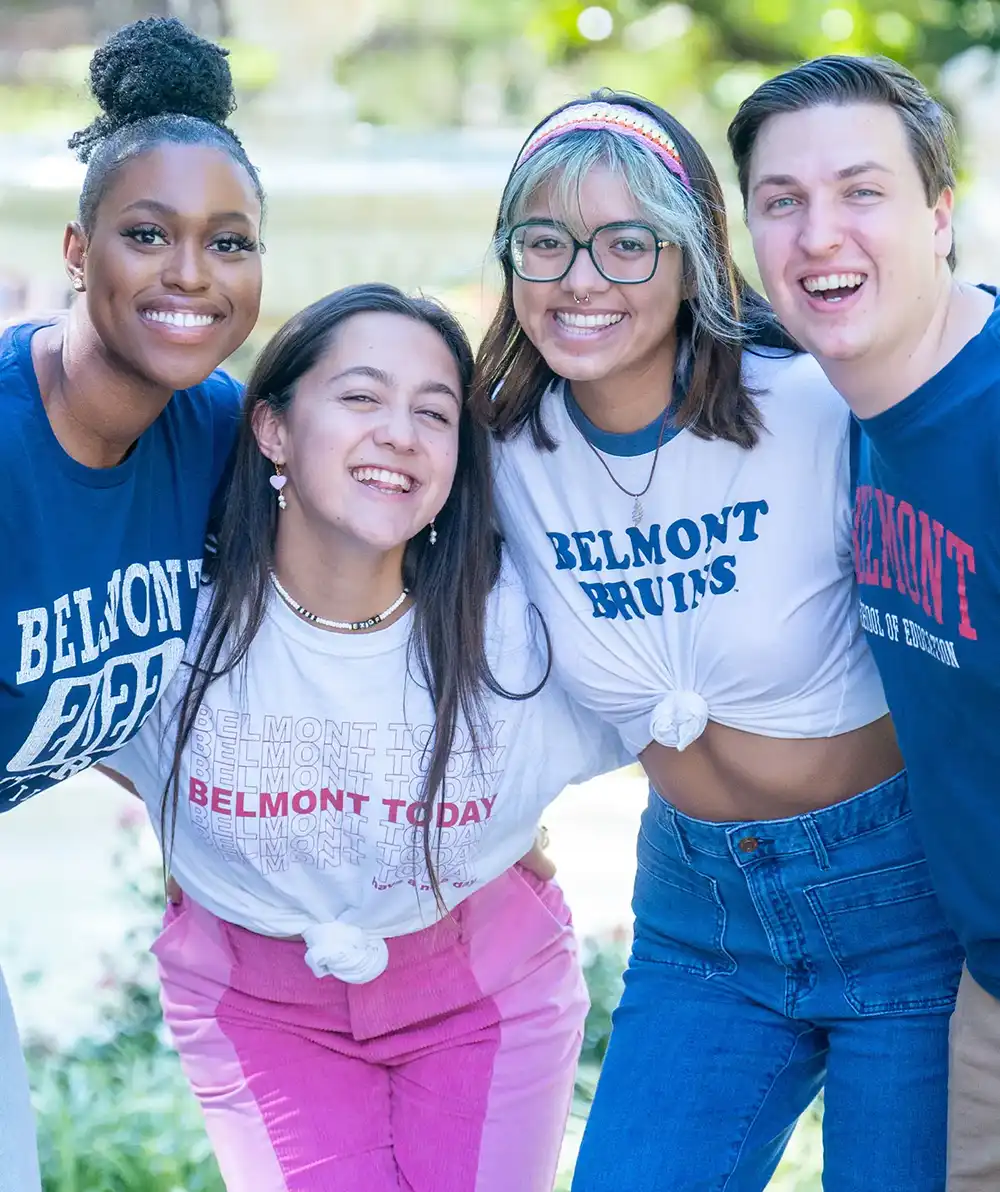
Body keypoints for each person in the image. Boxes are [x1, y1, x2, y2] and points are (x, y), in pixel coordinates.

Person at [471, 90, 964, 1191]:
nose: (580, 279)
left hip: (897, 903)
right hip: (698, 921)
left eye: (626, 243)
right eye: (542, 243)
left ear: (693, 254)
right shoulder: (495, 452)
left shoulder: (817, 405)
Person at [99, 282, 628, 1192]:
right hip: (258, 1004)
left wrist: (490, 825)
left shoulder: (511, 629)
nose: (400, 433)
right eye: (360, 398)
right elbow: (64, 723)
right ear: (271, 429)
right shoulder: (174, 625)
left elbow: (685, 696)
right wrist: (209, 828)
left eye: (435, 414)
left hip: (483, 992)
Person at [0, 17, 265, 1190]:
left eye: (229, 241)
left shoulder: (217, 432)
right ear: (77, 247)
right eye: (147, 235)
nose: (190, 276)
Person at [728, 54, 1000, 1191]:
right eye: (780, 203)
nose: (817, 235)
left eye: (860, 192)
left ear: (940, 215)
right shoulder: (839, 413)